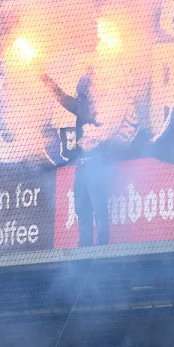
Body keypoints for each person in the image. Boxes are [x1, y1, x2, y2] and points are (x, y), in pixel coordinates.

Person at [41, 71, 116, 247]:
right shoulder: (81, 106)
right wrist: (44, 77)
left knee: (99, 209)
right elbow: (61, 97)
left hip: (97, 166)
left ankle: (102, 248)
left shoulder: (104, 106)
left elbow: (105, 133)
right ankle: (85, 249)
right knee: (82, 210)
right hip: (82, 167)